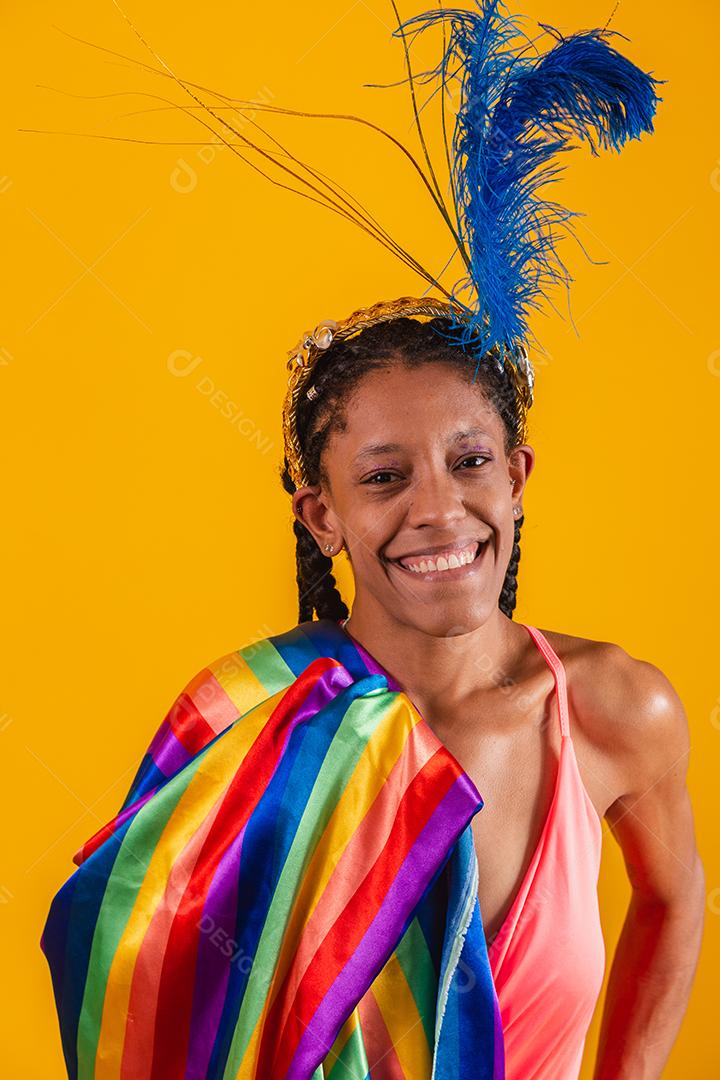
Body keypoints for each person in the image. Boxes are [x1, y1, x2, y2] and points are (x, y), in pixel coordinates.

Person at [40, 2, 704, 1078]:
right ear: (323, 513)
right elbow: (135, 983)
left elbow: (673, 903)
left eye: (472, 461)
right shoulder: (242, 723)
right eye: (385, 478)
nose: (439, 509)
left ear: (520, 479)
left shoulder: (620, 711)